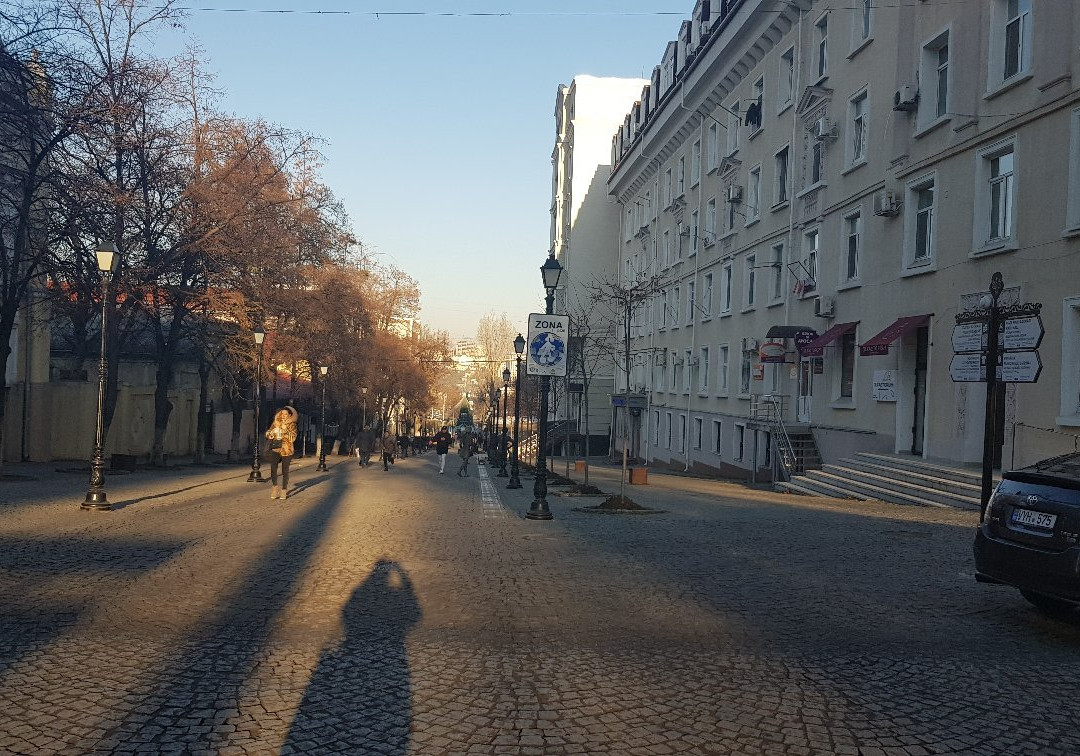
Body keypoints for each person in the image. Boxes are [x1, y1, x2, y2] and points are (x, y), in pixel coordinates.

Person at [265, 406, 298, 500]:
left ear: (289, 415)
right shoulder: (276, 423)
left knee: (285, 470)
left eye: (285, 414)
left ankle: (284, 490)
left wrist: (285, 430)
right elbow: (268, 432)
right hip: (275, 448)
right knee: (273, 468)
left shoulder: (292, 425)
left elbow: (293, 438)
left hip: (287, 450)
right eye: (282, 413)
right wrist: (271, 434)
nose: (283, 416)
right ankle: (275, 487)